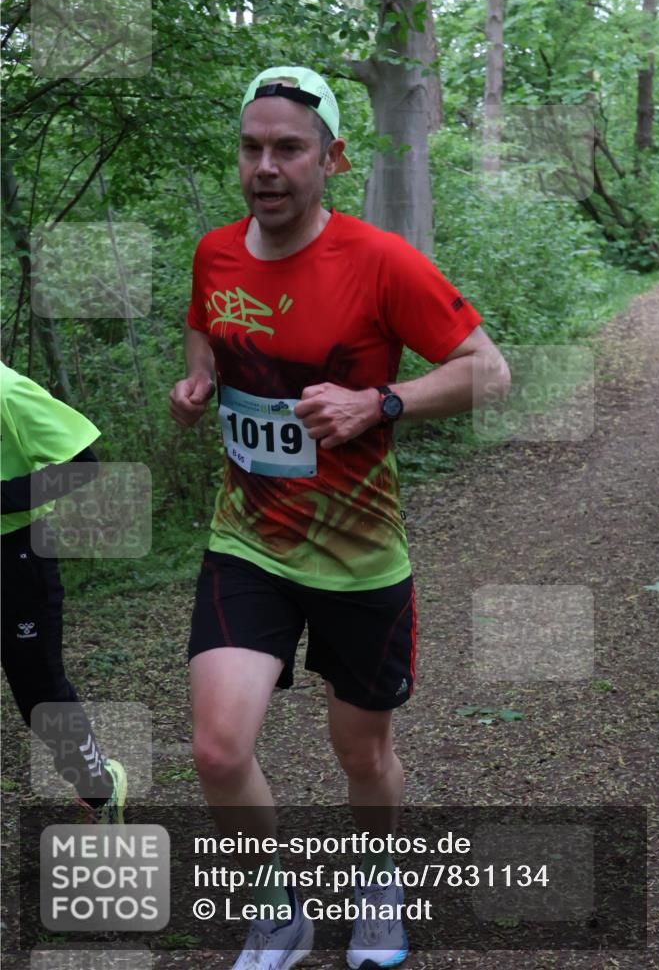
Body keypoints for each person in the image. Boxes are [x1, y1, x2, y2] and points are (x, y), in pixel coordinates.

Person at [170, 66, 510, 969]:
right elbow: (206, 323)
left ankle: (377, 881)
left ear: (331, 157)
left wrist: (380, 404)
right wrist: (200, 380)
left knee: (360, 755)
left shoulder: (379, 261)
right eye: (252, 148)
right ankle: (277, 911)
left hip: (358, 557)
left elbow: (489, 370)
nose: (266, 167)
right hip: (248, 539)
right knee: (215, 748)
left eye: (288, 149)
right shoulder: (214, 252)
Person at [1, 361, 127, 823]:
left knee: (38, 695)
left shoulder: (8, 390)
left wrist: (2, 498)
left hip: (16, 556)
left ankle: (100, 792)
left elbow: (82, 466)